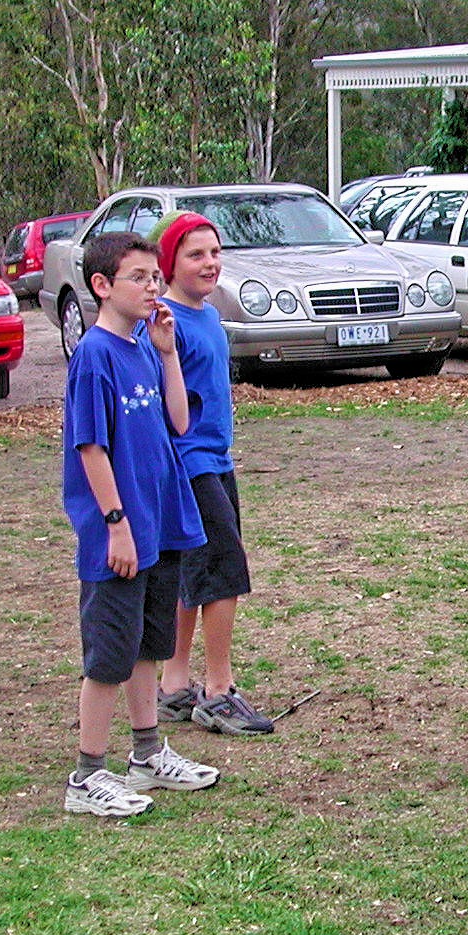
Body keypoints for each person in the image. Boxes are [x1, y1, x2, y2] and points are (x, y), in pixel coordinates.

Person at [60, 230, 222, 818]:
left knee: (147, 646)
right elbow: (90, 449)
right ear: (102, 286)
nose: (153, 287)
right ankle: (86, 776)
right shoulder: (96, 356)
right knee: (109, 652)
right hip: (120, 532)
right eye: (139, 278)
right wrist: (116, 526)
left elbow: (180, 422)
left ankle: (148, 754)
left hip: (162, 522)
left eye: (156, 277)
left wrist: (169, 352)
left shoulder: (144, 348)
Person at [151, 213, 275, 737]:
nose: (209, 263)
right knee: (224, 572)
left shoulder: (205, 315)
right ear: (170, 264)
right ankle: (217, 691)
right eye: (196, 255)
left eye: (215, 252)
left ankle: (175, 686)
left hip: (216, 460)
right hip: (190, 464)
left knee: (193, 576)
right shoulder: (164, 323)